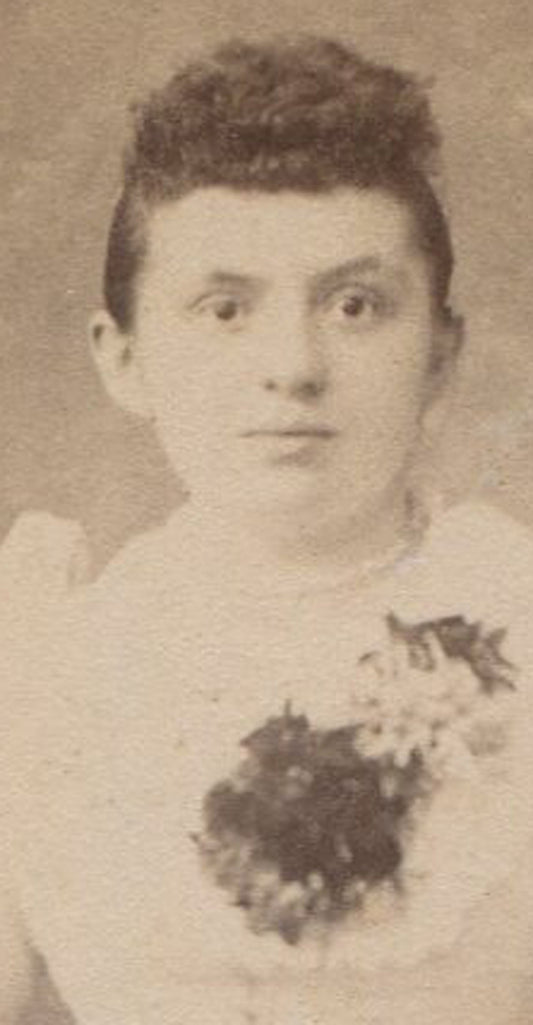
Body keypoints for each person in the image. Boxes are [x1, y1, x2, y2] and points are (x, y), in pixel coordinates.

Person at [1, 35, 532, 1025]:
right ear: (123, 358)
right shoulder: (42, 654)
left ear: (439, 353)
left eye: (353, 303)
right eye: (224, 308)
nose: (291, 364)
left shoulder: (520, 614)